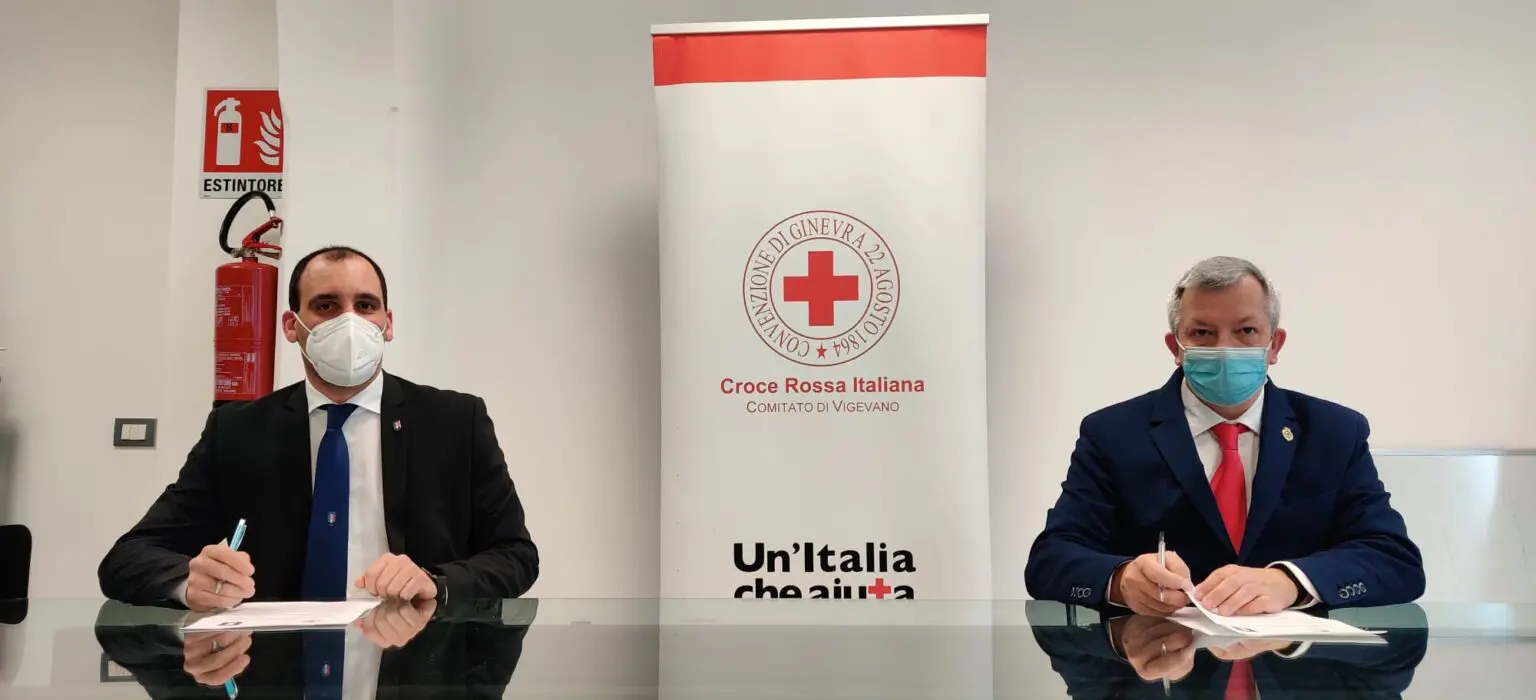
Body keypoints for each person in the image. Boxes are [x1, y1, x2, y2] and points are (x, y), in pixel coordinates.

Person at [100, 245, 538, 611]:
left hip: (418, 661)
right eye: (326, 306)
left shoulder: (455, 421)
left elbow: (516, 557)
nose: (350, 322)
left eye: (365, 306)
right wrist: (188, 582)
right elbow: (128, 558)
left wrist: (435, 582)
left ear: (388, 324)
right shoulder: (237, 430)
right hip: (274, 664)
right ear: (292, 326)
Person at [1025, 256, 1423, 615]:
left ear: (1274, 344)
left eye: (1246, 330)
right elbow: (1051, 558)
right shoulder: (1112, 434)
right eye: (1202, 333)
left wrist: (1291, 581)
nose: (1225, 349)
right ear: (1176, 347)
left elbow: (1394, 560)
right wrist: (1121, 579)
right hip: (1159, 658)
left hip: (1292, 662)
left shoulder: (1334, 432)